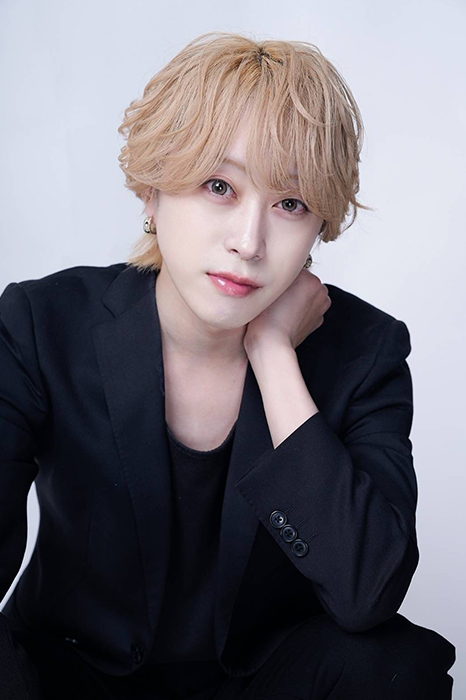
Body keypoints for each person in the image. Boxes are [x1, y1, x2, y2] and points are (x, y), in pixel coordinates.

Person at [0, 31, 456, 700]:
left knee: (392, 663)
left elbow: (367, 592)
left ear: (319, 227)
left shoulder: (366, 351)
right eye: (219, 186)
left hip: (255, 683)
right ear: (152, 191)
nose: (249, 242)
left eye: (290, 204)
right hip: (73, 675)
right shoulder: (42, 324)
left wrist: (273, 353)